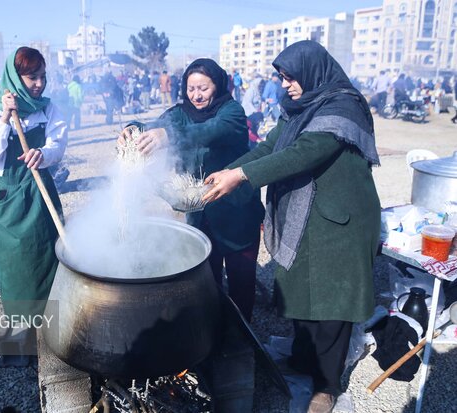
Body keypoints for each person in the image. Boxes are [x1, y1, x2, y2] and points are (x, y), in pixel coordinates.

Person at [202, 41, 381, 413]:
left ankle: (326, 386)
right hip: (306, 216)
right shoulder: (299, 109)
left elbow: (304, 153)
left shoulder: (342, 107)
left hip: (340, 221)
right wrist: (230, 170)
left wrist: (241, 176)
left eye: (291, 77)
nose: (285, 85)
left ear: (313, 72)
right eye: (282, 78)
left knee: (332, 303)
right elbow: (271, 148)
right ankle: (303, 360)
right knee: (300, 290)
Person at [117, 58, 265, 323]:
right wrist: (132, 129)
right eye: (191, 88)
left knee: (241, 280)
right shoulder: (179, 113)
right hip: (200, 210)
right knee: (206, 278)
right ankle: (211, 334)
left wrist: (168, 136)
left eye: (203, 89)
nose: (196, 95)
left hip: (237, 212)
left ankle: (242, 339)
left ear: (217, 86)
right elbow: (153, 126)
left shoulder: (232, 113)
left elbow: (207, 131)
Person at [0, 46, 68, 316]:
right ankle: (22, 325)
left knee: (50, 254)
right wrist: (4, 118)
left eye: (43, 77)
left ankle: (54, 321)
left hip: (41, 193)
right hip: (9, 198)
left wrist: (43, 153)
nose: (39, 84)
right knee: (17, 261)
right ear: (15, 77)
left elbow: (58, 146)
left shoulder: (47, 109)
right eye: (32, 78)